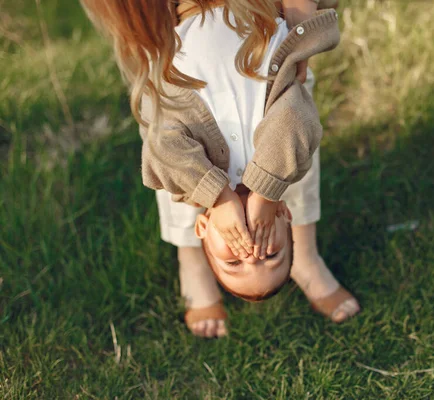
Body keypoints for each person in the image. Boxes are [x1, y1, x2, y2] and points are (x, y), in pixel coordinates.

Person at [82, 0, 359, 338]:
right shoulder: (281, 169)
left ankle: (192, 258)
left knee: (175, 181)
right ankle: (303, 255)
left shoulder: (192, 181)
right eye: (271, 254)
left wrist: (219, 197)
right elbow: (296, 121)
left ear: (204, 229)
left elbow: (162, 149)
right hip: (255, 11)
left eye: (233, 262)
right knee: (295, 160)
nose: (252, 252)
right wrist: (265, 192)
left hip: (173, 19)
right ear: (284, 214)